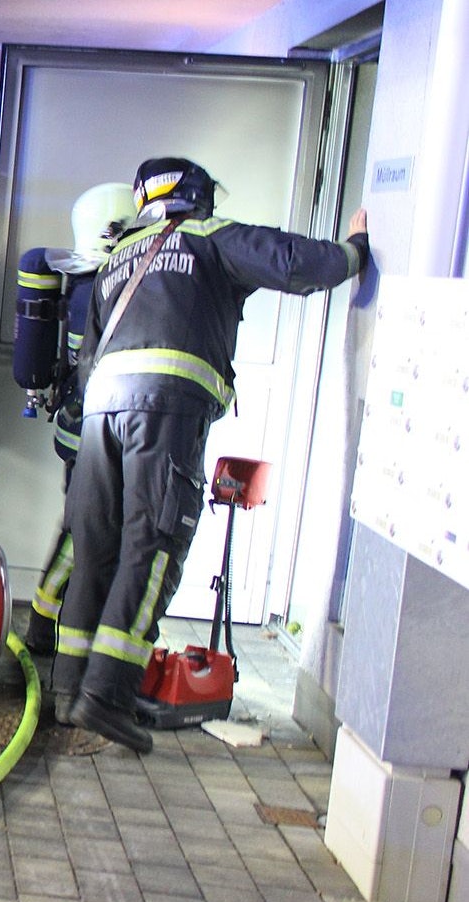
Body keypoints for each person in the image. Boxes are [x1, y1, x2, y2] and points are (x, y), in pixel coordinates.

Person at [55, 156, 370, 752]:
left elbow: (88, 353)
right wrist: (354, 251)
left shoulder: (119, 256)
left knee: (95, 547)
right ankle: (107, 696)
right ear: (195, 194)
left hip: (101, 414)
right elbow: (292, 262)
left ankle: (68, 690)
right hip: (164, 410)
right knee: (152, 544)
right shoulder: (209, 237)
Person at [17, 182, 139, 703]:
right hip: (101, 438)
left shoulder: (83, 280)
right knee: (88, 534)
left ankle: (44, 622)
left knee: (79, 528)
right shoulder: (109, 287)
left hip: (79, 434)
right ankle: (56, 635)